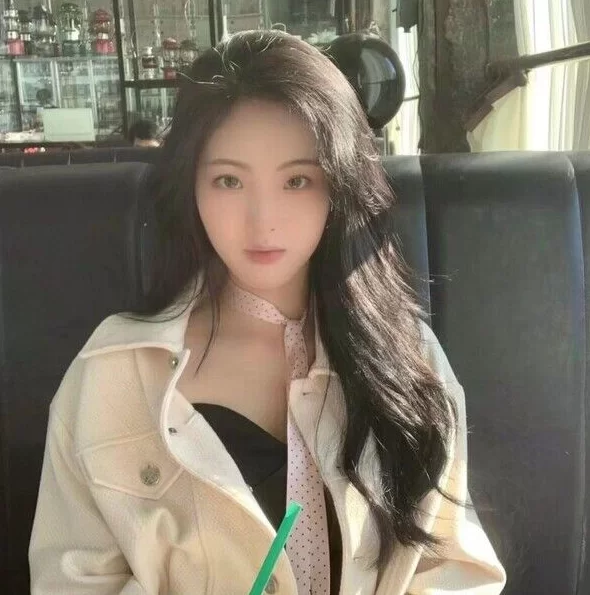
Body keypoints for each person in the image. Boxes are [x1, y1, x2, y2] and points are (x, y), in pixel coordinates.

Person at [29, 30, 506, 594]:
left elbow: (454, 568)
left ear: (339, 187)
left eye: (297, 180)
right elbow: (70, 580)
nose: (263, 221)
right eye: (229, 180)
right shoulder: (113, 374)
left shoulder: (407, 356)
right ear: (192, 187)